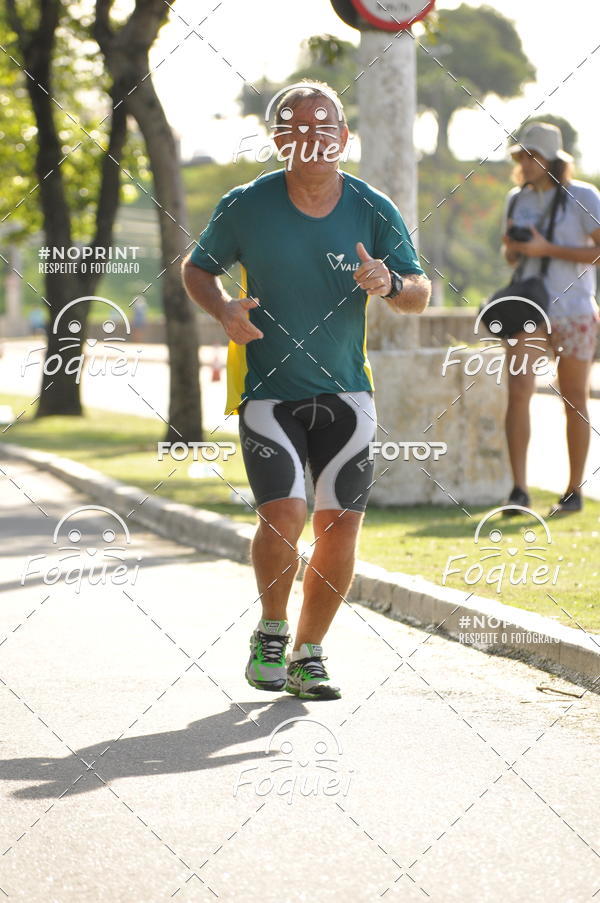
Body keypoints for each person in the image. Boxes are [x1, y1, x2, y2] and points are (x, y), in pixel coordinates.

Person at [182, 81, 431, 700]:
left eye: (325, 129)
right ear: (279, 140)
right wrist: (223, 311)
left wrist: (389, 282)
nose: (311, 139)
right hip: (269, 391)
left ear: (344, 139)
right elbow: (197, 268)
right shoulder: (247, 205)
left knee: (340, 525)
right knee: (286, 512)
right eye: (295, 128)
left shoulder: (372, 207)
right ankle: (271, 629)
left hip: (347, 393)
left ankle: (308, 653)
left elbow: (420, 294)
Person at [501, 121, 600, 515]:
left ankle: (573, 490)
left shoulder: (583, 196)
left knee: (574, 397)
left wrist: (548, 249)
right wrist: (514, 247)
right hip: (529, 310)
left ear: (552, 160)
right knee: (518, 390)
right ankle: (518, 490)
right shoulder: (515, 199)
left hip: (575, 309)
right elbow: (511, 258)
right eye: (520, 156)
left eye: (532, 156)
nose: (524, 163)